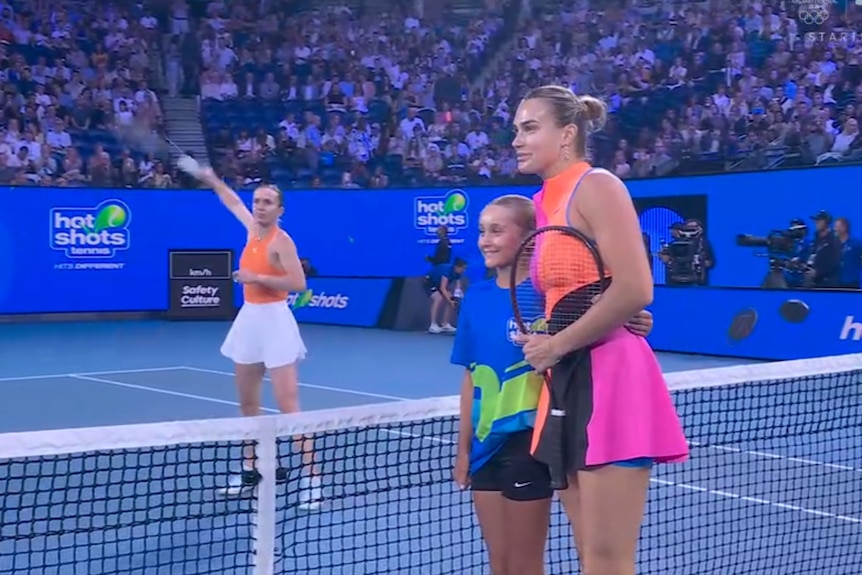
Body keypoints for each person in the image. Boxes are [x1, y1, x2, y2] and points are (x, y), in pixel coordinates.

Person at [511, 86, 689, 575]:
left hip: (611, 382)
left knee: (608, 561)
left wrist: (556, 344)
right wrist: (548, 336)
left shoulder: (598, 186)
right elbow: (586, 291)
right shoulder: (543, 201)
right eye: (516, 130)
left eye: (529, 128)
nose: (517, 140)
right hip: (564, 380)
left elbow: (636, 287)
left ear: (567, 134)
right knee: (588, 553)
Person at [451, 195, 657, 575]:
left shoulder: (553, 295)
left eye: (498, 230)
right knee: (501, 563)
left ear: (532, 236)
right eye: (482, 231)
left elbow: (608, 311)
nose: (485, 240)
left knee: (526, 564)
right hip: (485, 446)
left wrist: (634, 318)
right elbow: (471, 375)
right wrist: (463, 449)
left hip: (531, 442)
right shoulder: (475, 298)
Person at [177, 156, 322, 509]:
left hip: (276, 321)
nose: (258, 206)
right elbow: (232, 201)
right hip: (250, 320)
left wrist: (257, 278)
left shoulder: (281, 241)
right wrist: (211, 178)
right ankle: (251, 469)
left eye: (267, 202)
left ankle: (313, 479)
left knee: (289, 407)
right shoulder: (251, 229)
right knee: (247, 404)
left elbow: (299, 283)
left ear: (279, 209)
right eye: (257, 201)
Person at [426, 257, 467, 333]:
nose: (464, 270)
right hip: (429, 282)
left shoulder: (458, 272)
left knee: (452, 299)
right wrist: (449, 300)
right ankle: (433, 325)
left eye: (465, 268)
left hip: (439, 284)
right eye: (463, 268)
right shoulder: (447, 270)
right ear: (457, 267)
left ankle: (445, 324)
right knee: (439, 298)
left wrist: (456, 297)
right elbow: (442, 288)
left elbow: (458, 286)